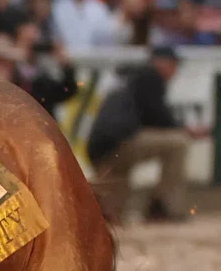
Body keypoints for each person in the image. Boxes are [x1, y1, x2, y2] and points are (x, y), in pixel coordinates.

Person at [87, 46, 210, 223]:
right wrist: (186, 129)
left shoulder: (130, 78)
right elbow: (158, 116)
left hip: (103, 151)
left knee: (112, 214)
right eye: (173, 65)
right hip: (120, 144)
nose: (175, 72)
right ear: (161, 63)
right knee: (179, 143)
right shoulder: (149, 75)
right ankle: (162, 206)